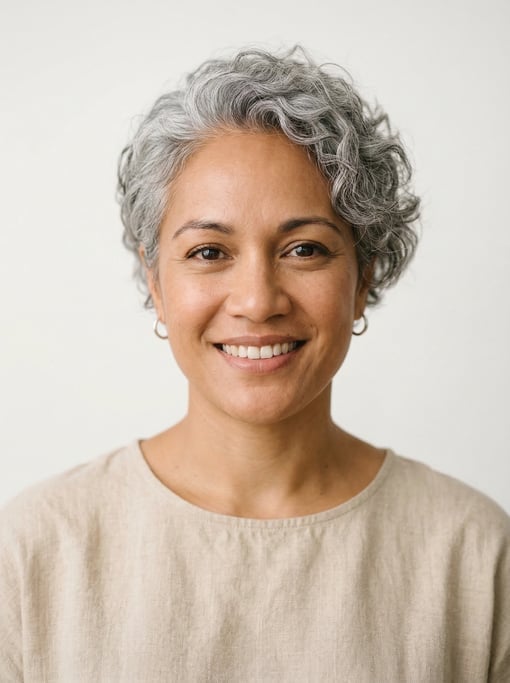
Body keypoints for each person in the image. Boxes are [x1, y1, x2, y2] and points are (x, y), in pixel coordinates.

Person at [1, 47, 509, 682]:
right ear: (156, 282)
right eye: (210, 251)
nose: (256, 301)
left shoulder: (473, 554)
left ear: (363, 277)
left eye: (304, 248)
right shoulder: (35, 551)